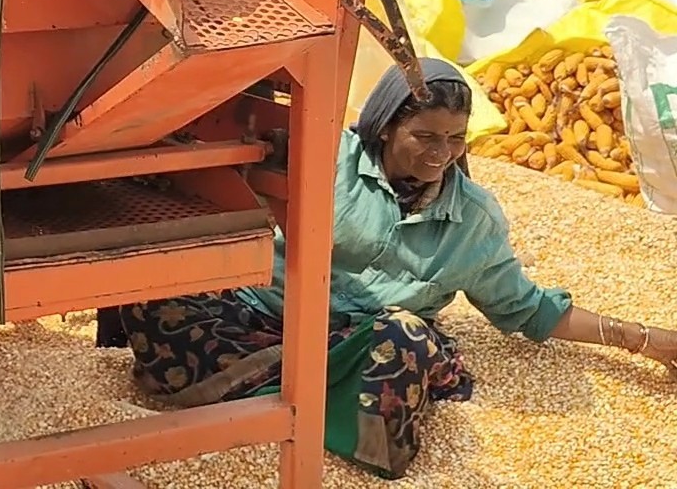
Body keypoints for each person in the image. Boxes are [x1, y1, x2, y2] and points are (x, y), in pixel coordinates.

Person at [112, 59, 677, 480]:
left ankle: (282, 411)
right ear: (384, 127)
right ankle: (287, 396)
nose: (442, 153)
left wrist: (644, 340)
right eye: (425, 136)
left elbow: (526, 308)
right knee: (155, 287)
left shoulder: (472, 220)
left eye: (456, 139)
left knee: (404, 335)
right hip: (254, 319)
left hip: (358, 348)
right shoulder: (324, 157)